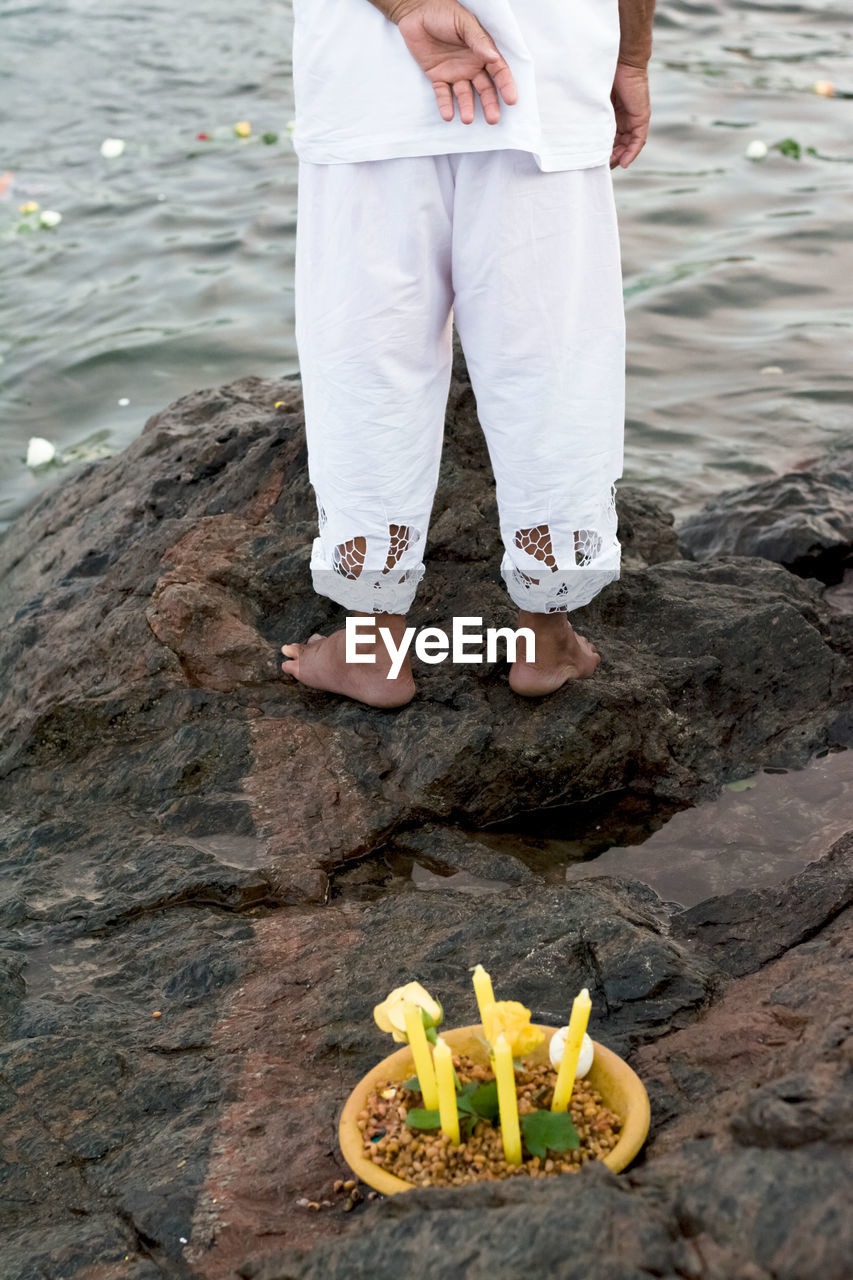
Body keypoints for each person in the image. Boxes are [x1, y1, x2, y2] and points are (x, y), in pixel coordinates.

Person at [282, 0, 654, 707]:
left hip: (369, 85)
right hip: (545, 75)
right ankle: (544, 636)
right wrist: (629, 53)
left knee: (369, 365)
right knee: (553, 364)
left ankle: (372, 646)